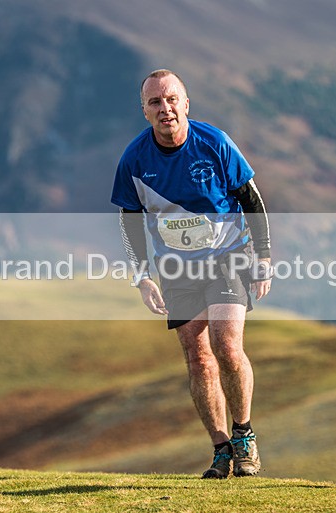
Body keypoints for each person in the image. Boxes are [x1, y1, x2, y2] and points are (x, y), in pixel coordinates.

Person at [111, 69, 272, 479]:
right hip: (176, 269)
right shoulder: (134, 158)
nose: (165, 109)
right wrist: (142, 276)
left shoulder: (214, 142)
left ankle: (244, 434)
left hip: (227, 256)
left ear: (185, 103)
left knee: (226, 345)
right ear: (144, 111)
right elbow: (129, 221)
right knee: (198, 360)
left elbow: (252, 200)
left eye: (171, 99)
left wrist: (264, 257)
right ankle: (221, 450)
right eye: (155, 103)